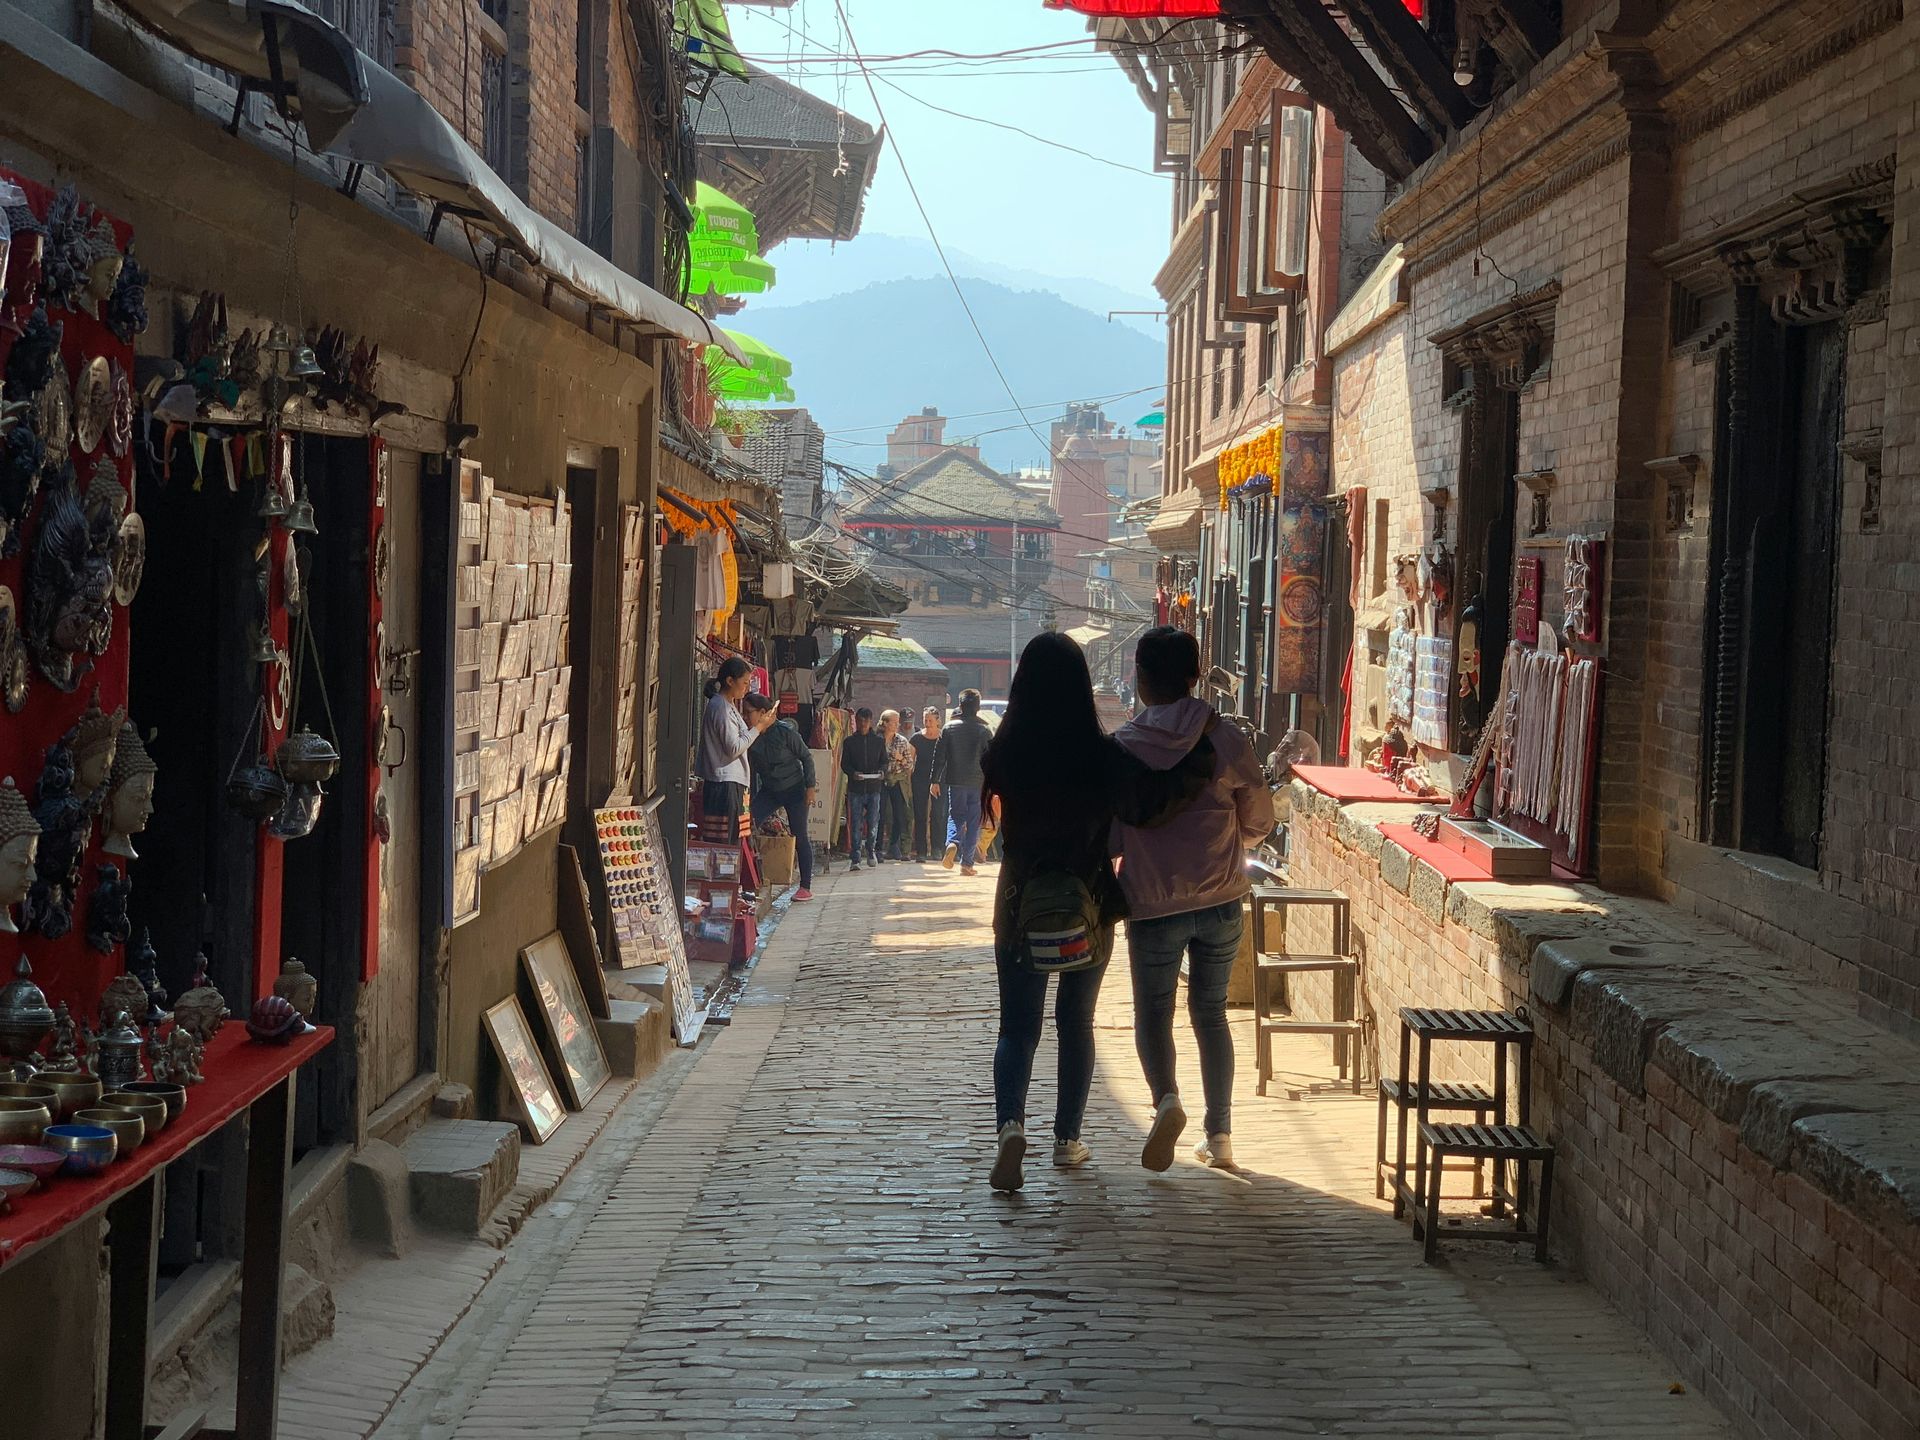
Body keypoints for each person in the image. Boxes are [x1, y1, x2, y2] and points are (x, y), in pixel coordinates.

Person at [982, 633, 1212, 1193]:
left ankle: (1011, 1126)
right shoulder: (1102, 753)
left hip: (1020, 903)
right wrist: (1197, 765)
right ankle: (1067, 1140)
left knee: (1018, 1026)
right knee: (1075, 1022)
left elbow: (994, 823)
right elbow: (1146, 805)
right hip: (1086, 903)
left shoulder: (1004, 751)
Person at [1114, 626, 1275, 1172]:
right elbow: (1258, 820)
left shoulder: (1122, 747)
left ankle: (1166, 1100)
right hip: (1221, 899)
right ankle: (1221, 1134)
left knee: (1153, 1014)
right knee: (1211, 1013)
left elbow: (1113, 836)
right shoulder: (1225, 738)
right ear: (1195, 676)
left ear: (1140, 680)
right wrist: (1232, 838)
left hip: (1153, 904)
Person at [749, 700, 817, 902]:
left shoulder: (786, 733)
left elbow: (806, 757)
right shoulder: (752, 735)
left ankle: (805, 886)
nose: (746, 716)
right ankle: (753, 877)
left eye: (749, 712)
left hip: (795, 790)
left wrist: (810, 787)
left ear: (763, 712)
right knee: (749, 824)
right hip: (769, 790)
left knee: (800, 835)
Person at [699, 657, 772, 826]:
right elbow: (734, 748)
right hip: (723, 784)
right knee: (724, 842)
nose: (746, 688)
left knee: (734, 839)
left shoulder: (728, 706)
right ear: (730, 681)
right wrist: (758, 727)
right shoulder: (721, 708)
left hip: (731, 782)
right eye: (744, 683)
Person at [931, 689, 993, 876]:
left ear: (960, 705)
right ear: (978, 707)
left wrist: (934, 780)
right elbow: (991, 759)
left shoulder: (949, 728)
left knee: (955, 814)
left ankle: (952, 842)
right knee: (974, 821)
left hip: (955, 780)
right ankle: (967, 864)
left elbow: (939, 757)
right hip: (978, 782)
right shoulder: (984, 730)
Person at [840, 708, 887, 870]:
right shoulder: (849, 742)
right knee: (855, 824)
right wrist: (853, 773)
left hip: (874, 787)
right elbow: (844, 764)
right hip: (856, 788)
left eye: (866, 721)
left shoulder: (879, 741)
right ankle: (855, 857)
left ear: (871, 722)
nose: (863, 724)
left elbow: (884, 762)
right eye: (860, 721)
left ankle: (871, 850)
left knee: (873, 822)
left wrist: (882, 772)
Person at [908, 707, 944, 862]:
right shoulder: (916, 738)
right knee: (920, 814)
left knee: (938, 814)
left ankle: (937, 848)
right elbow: (910, 761)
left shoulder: (943, 737)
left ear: (937, 720)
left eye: (930, 720)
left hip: (939, 779)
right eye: (925, 720)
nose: (928, 723)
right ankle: (921, 850)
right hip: (920, 779)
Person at [878, 709, 913, 862]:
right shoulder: (877, 739)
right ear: (885, 723)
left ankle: (893, 845)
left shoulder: (902, 741)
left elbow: (910, 765)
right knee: (880, 815)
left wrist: (900, 758)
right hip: (880, 780)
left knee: (899, 815)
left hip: (897, 780)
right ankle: (877, 848)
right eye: (894, 721)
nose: (897, 724)